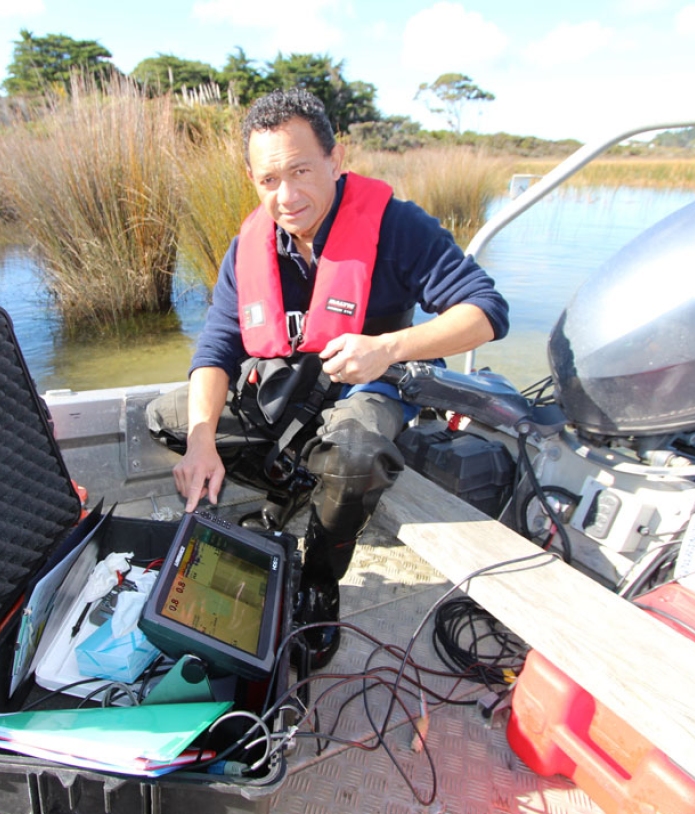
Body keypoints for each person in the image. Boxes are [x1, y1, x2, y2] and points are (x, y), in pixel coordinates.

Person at [147, 88, 508, 671]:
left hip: (370, 391)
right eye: (268, 180)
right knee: (170, 417)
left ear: (336, 160)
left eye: (300, 171)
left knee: (356, 452)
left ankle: (319, 577)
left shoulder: (397, 226)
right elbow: (215, 349)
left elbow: (487, 312)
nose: (287, 197)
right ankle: (300, 486)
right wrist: (200, 441)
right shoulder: (249, 248)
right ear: (251, 178)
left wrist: (388, 346)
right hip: (287, 395)